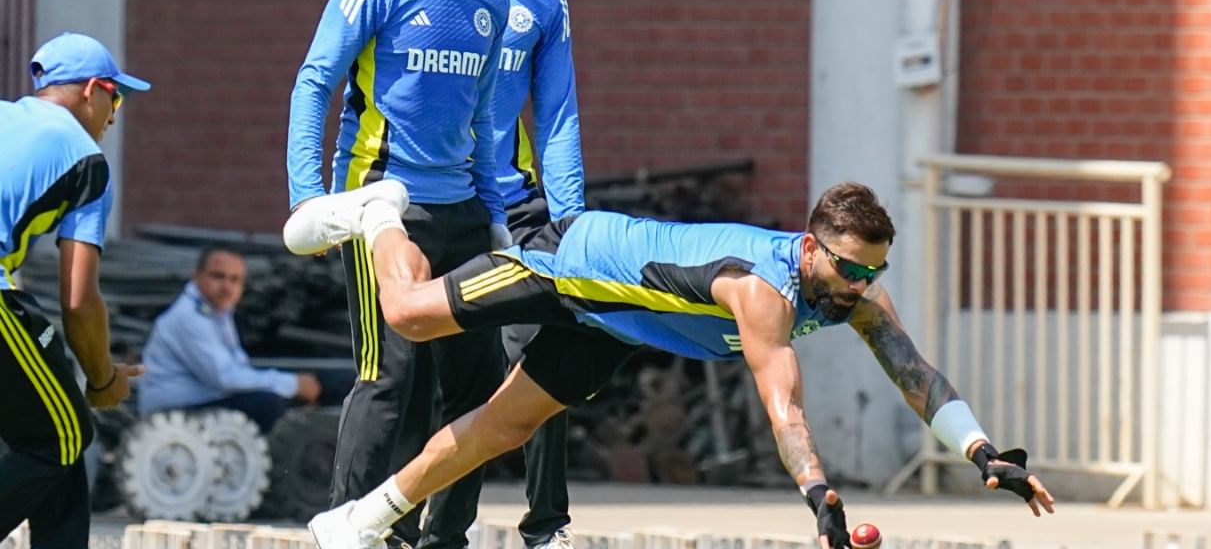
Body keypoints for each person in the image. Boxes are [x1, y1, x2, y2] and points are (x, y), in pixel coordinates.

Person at [286, 180, 1056, 549]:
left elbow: (916, 375)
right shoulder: (766, 292)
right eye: (852, 271)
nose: (863, 287)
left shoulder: (857, 297)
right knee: (407, 315)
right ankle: (378, 213)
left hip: (615, 326)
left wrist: (985, 453)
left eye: (875, 273)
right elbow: (782, 403)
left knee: (498, 429)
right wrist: (818, 493)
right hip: (570, 264)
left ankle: (358, 520)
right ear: (814, 248)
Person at [283, 0, 512, 547]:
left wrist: (496, 214)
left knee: (476, 387)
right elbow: (314, 82)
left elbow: (484, 113)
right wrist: (308, 198)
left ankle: (442, 536)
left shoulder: (491, 0)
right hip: (382, 206)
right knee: (390, 378)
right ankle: (345, 526)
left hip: (463, 213)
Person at [470, 0, 585, 549]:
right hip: (441, 199)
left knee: (549, 348)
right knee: (423, 364)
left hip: (520, 208)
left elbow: (560, 113)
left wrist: (567, 213)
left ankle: (547, 525)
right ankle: (405, 515)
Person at [0, 32, 150, 547]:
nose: (114, 115)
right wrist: (104, 378)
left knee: (52, 424)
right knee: (65, 436)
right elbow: (79, 299)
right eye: (117, 97)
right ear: (93, 90)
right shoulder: (86, 159)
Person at [137, 244, 324, 433]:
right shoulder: (189, 317)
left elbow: (237, 367)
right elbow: (225, 378)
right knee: (268, 404)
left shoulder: (217, 312)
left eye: (235, 280)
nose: (227, 287)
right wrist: (292, 384)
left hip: (197, 401)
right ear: (196, 276)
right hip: (172, 411)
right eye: (218, 276)